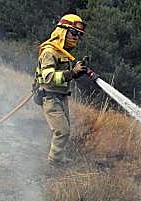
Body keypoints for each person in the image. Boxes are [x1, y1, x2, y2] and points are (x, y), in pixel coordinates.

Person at [35, 14, 97, 165]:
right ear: (62, 31)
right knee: (62, 131)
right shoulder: (50, 52)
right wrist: (72, 73)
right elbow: (49, 77)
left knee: (65, 129)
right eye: (74, 33)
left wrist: (76, 72)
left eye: (79, 35)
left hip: (61, 97)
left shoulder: (63, 52)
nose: (76, 38)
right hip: (50, 97)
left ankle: (58, 157)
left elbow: (64, 75)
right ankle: (54, 162)